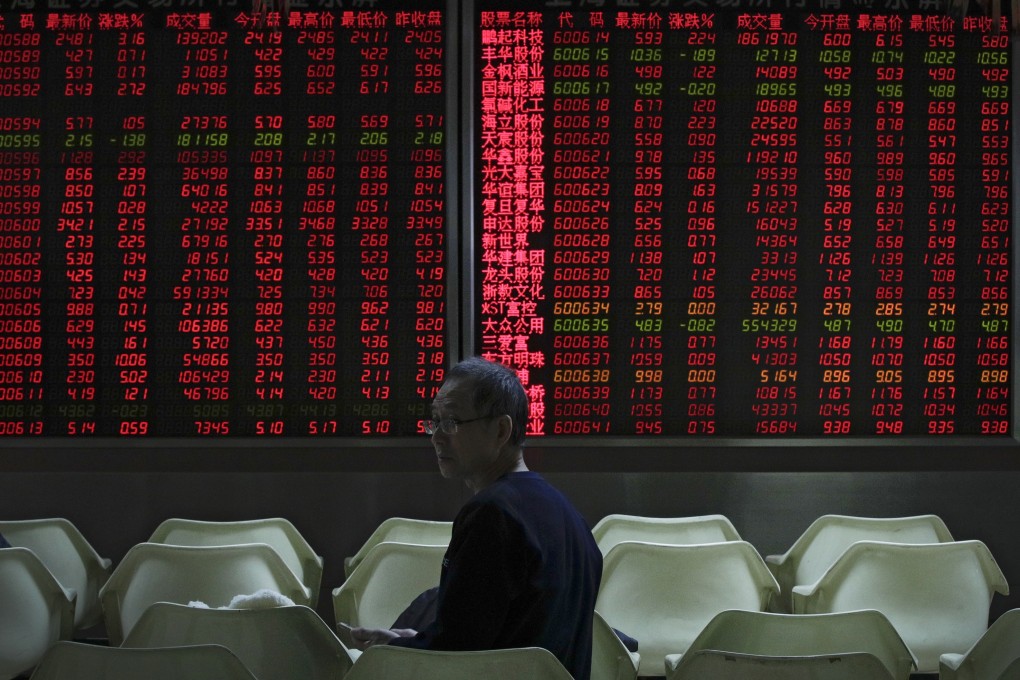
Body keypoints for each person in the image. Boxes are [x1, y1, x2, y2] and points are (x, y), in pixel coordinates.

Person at [352, 356, 603, 680]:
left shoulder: (492, 515)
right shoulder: (569, 515)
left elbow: (454, 660)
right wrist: (412, 642)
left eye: (453, 422)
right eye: (435, 421)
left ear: (501, 429)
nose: (437, 436)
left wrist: (399, 655)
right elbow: (500, 641)